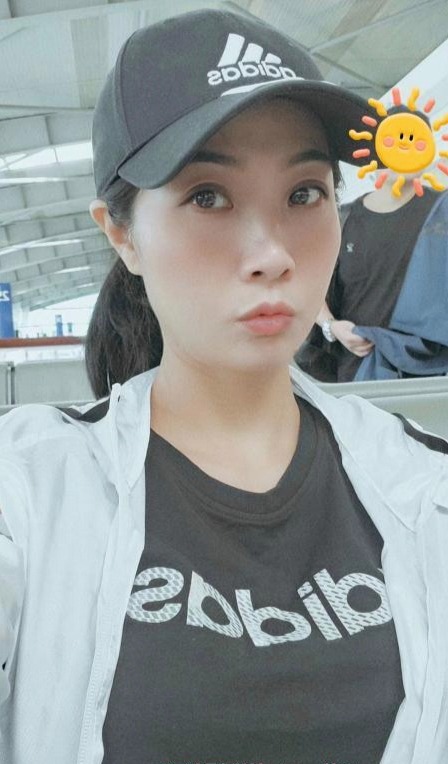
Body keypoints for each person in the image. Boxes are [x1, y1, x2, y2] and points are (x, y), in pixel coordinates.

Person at [0, 8, 447, 764]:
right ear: (121, 232)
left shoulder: (426, 488)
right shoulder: (29, 490)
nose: (272, 254)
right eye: (208, 195)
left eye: (304, 194)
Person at [296, 170, 448, 382]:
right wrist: (331, 326)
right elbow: (306, 284)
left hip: (432, 378)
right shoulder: (342, 220)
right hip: (356, 377)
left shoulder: (442, 214)